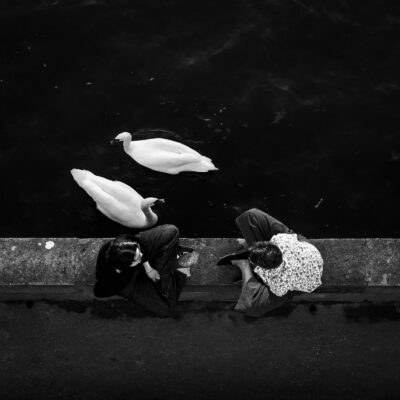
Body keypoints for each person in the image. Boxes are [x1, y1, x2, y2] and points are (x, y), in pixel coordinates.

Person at [219, 208, 323, 317]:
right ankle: (250, 247)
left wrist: (251, 266)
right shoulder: (281, 240)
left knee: (250, 306)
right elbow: (284, 239)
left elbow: (278, 290)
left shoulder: (278, 282)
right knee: (251, 216)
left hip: (302, 280)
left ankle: (244, 265)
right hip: (308, 253)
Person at [94, 224, 188, 317]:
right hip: (128, 283)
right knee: (166, 310)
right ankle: (174, 274)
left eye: (138, 251)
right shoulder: (111, 280)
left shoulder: (127, 245)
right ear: (121, 269)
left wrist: (148, 269)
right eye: (137, 258)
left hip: (133, 260)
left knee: (171, 231)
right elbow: (99, 292)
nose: (141, 255)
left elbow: (141, 249)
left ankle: (166, 274)